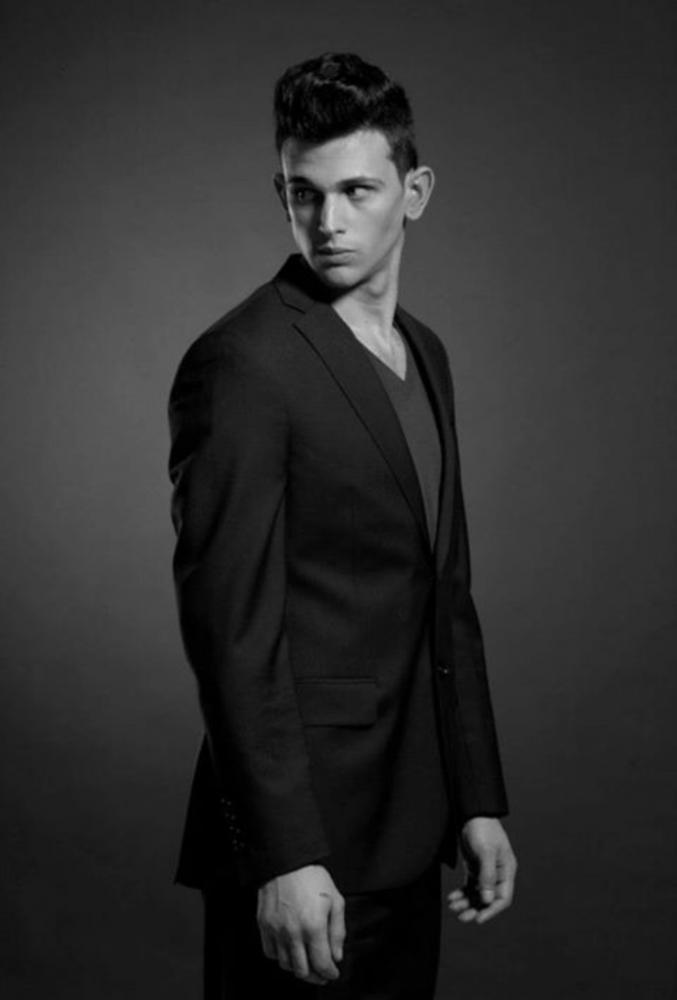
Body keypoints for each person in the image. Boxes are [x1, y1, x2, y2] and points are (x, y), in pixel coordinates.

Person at [168, 51, 517, 999]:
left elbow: (444, 598)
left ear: (414, 192)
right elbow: (230, 630)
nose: (327, 221)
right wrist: (283, 854)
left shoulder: (425, 353)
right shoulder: (243, 363)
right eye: (302, 193)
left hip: (412, 820)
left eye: (356, 190)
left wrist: (476, 798)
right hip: (303, 847)